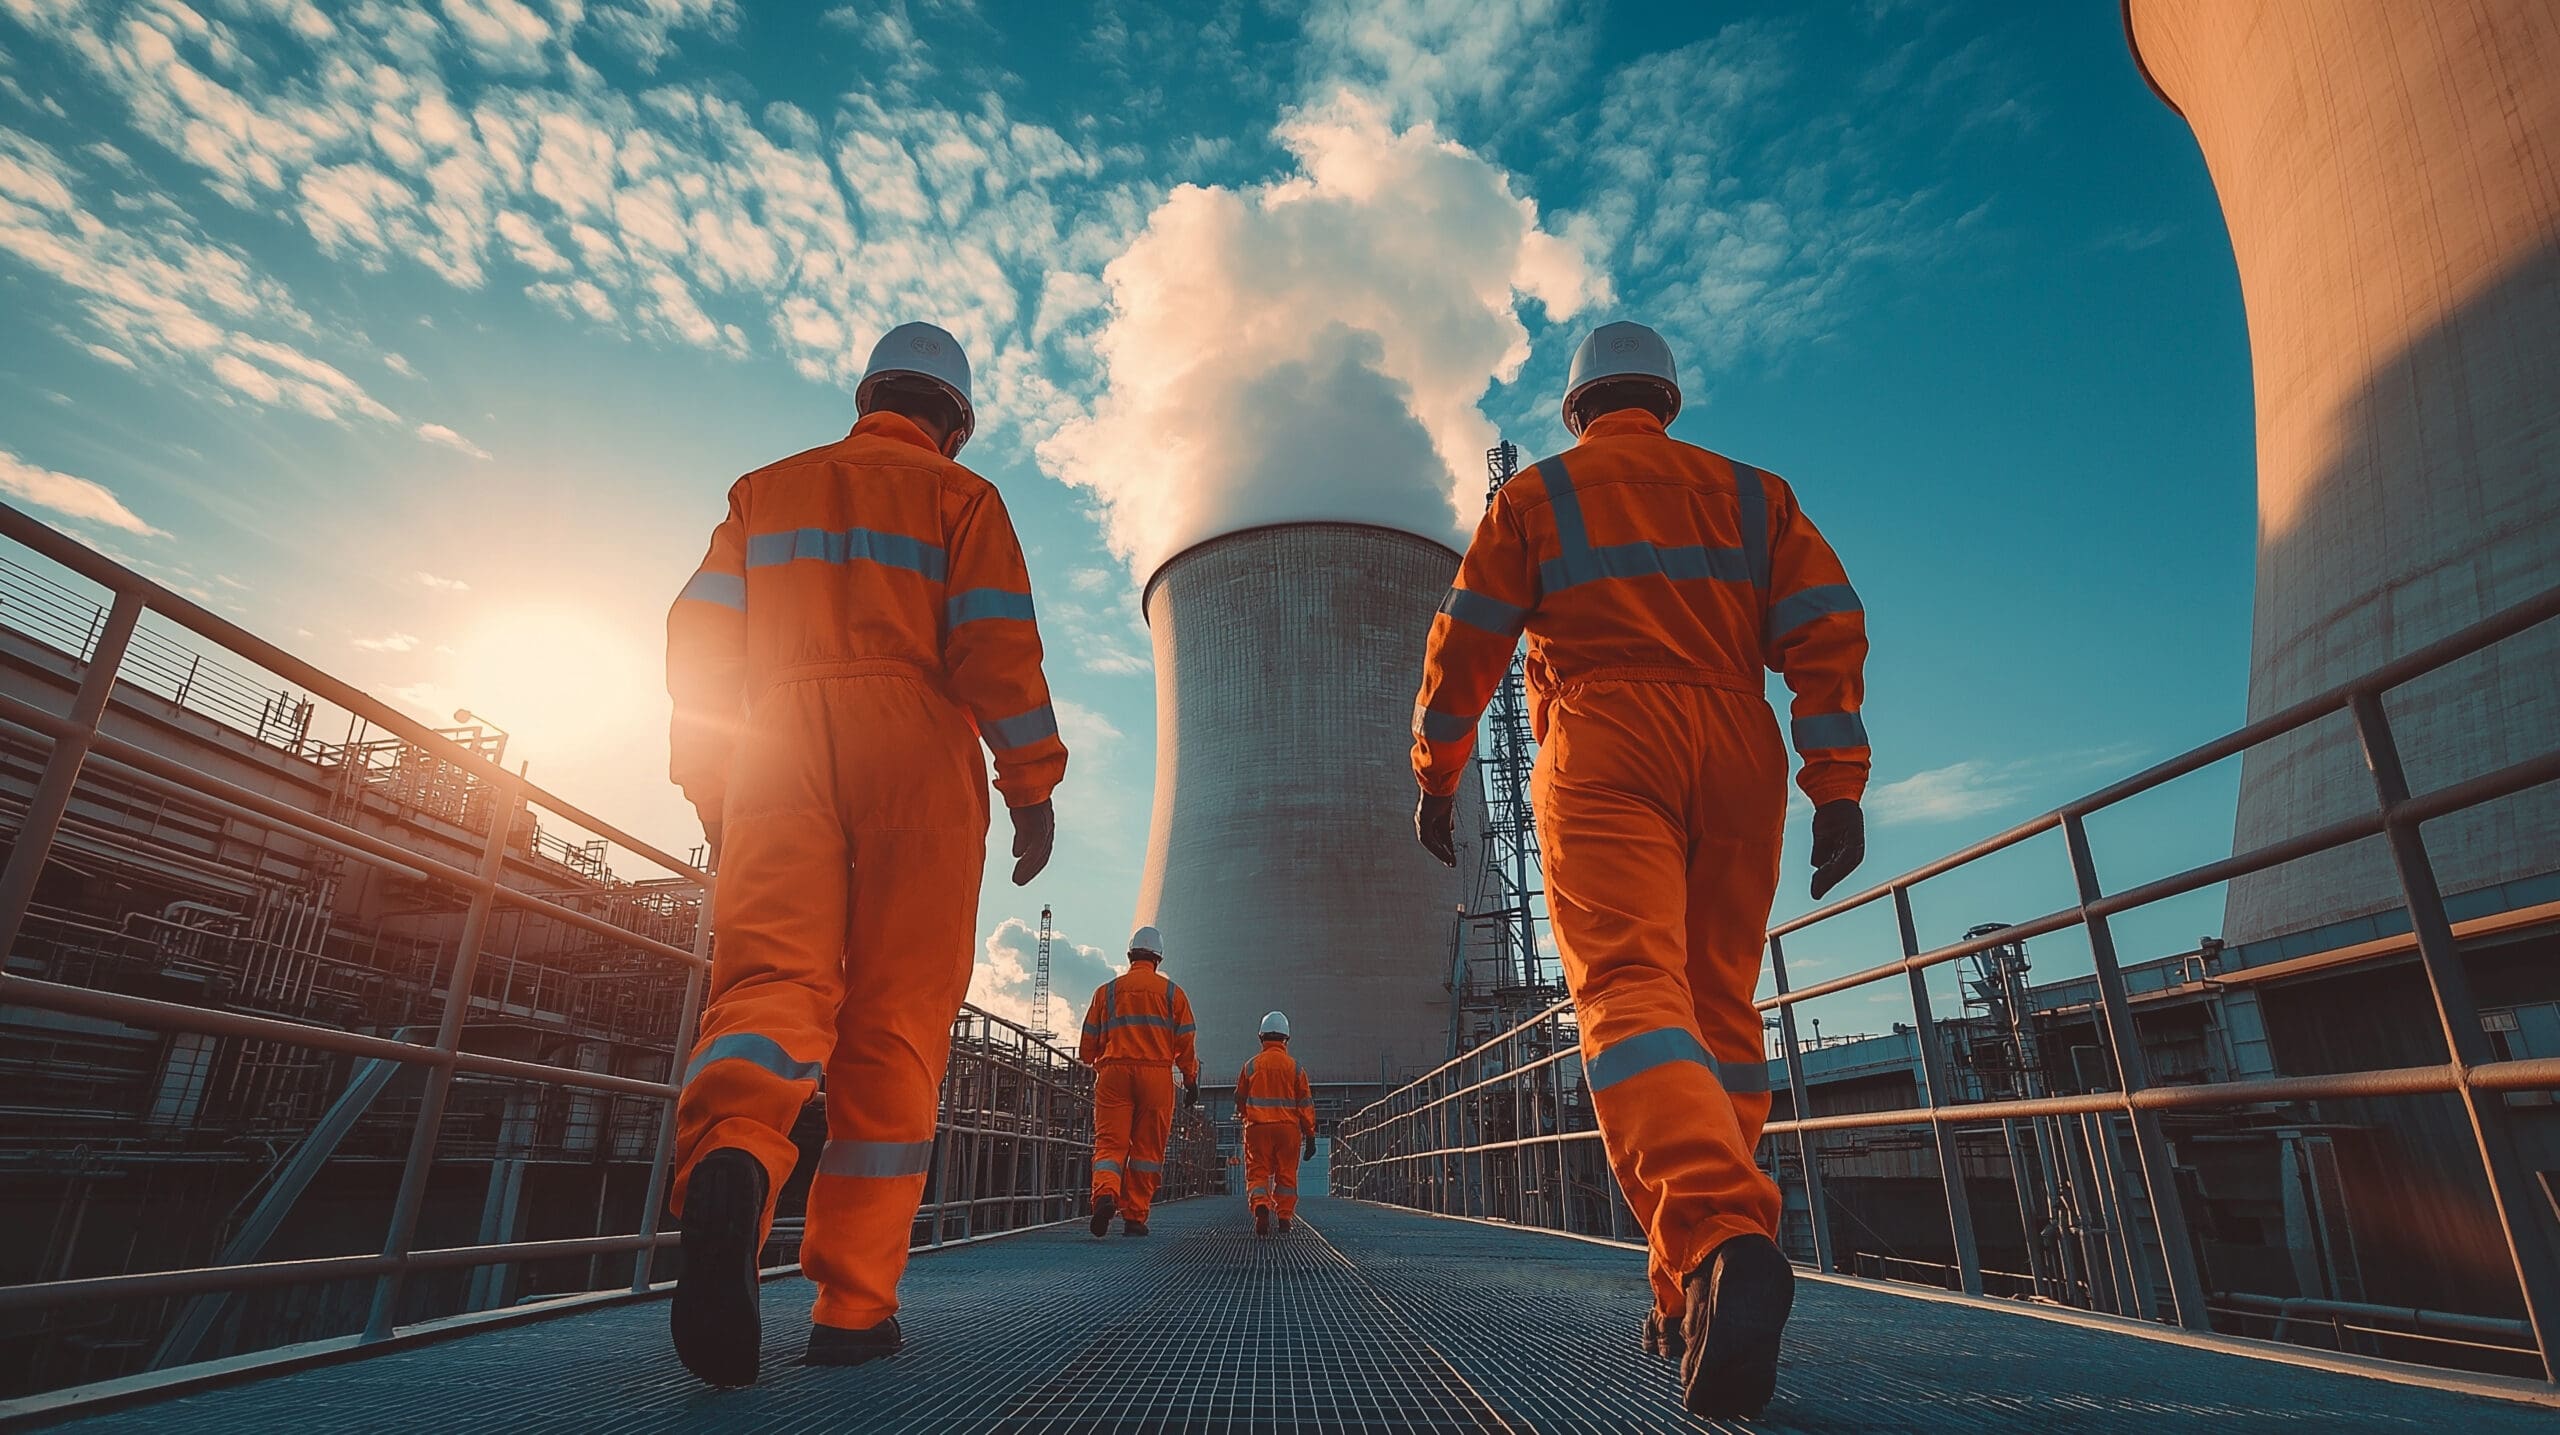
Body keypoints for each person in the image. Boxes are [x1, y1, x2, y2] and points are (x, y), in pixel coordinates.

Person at [1406, 321, 1870, 1419]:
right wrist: (1836, 781)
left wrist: (1437, 773)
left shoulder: (1535, 500)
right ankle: (1686, 1284)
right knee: (1718, 1013)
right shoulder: (1756, 496)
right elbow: (1824, 628)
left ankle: (1717, 1234)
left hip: (1606, 743)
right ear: (1666, 397)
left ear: (1575, 408)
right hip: (1740, 748)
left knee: (1627, 995)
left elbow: (1465, 639)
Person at [662, 321, 1068, 1386]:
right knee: (892, 1023)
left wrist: (712, 778)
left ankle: (735, 1155)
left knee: (767, 984)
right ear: (957, 422)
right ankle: (850, 1306)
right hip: (918, 754)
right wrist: (1030, 788)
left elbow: (699, 641)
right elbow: (995, 647)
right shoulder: (960, 500)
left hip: (776, 744)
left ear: (867, 394)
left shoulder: (765, 490)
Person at [1078, 926, 1200, 1237]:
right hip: (1156, 1076)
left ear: (1130, 954)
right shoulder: (1173, 994)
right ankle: (1134, 1216)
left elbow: (1087, 1045)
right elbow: (1186, 1042)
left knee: (1109, 1144)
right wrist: (1190, 1079)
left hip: (1114, 1074)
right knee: (1147, 1151)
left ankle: (1105, 1194)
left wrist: (1096, 1061)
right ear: (1159, 957)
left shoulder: (1106, 992)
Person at [1233, 1011, 1316, 1235]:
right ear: (1286, 1038)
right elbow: (1305, 1103)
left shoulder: (1251, 1066)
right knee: (1286, 1174)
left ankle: (1261, 1204)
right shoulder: (1295, 1068)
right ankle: (1284, 1217)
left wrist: (1245, 1116)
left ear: (1261, 1037)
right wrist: (1310, 1135)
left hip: (1257, 1128)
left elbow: (1239, 1098)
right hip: (1288, 1130)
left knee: (1258, 1172)